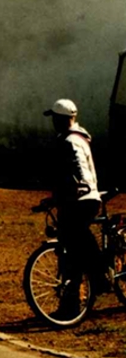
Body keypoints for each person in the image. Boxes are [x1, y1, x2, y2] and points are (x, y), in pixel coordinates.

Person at [42, 98, 103, 297]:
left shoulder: (70, 142)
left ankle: (99, 277)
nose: (53, 122)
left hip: (82, 199)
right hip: (79, 198)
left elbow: (78, 169)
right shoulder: (78, 138)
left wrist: (79, 187)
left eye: (54, 118)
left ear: (61, 119)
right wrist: (56, 198)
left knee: (76, 237)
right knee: (71, 244)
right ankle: (73, 296)